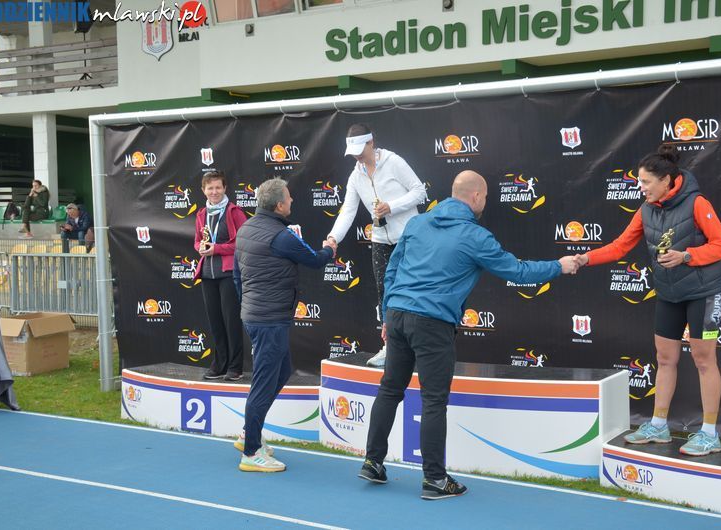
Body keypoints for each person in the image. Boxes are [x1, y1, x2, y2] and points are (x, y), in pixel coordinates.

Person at [359, 170, 578, 500]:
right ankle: (435, 479)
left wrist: (389, 312)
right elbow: (518, 272)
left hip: (398, 315)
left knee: (390, 389)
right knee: (433, 400)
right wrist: (559, 266)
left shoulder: (417, 223)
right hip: (432, 323)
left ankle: (372, 462)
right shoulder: (475, 236)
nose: (485, 202)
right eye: (485, 197)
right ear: (475, 197)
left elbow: (392, 269)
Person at [575, 144, 721, 456]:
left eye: (646, 181)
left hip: (704, 292)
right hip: (669, 293)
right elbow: (620, 246)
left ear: (665, 180)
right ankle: (659, 426)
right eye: (640, 181)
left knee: (703, 360)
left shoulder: (697, 203)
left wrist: (687, 255)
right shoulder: (645, 209)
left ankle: (709, 433)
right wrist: (585, 258)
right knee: (664, 358)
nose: (641, 187)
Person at [235, 177, 336, 472]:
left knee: (281, 371)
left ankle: (249, 434)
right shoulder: (282, 236)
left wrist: (249, 306)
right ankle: (250, 452)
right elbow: (315, 260)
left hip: (256, 316)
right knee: (264, 383)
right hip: (269, 320)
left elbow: (237, 277)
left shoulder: (245, 229)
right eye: (289, 198)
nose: (292, 200)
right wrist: (330, 249)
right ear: (279, 205)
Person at [326, 123, 427, 368]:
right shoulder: (355, 175)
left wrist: (392, 206)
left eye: (360, 150)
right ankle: (390, 347)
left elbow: (419, 192)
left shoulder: (394, 162)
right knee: (384, 292)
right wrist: (333, 237)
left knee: (414, 291)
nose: (357, 156)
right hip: (380, 239)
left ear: (371, 143)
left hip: (409, 238)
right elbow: (348, 210)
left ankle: (420, 347)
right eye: (353, 152)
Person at [194, 171, 247, 381]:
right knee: (215, 322)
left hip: (228, 273)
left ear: (225, 188)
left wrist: (216, 248)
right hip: (207, 274)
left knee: (231, 321)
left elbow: (243, 242)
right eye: (210, 188)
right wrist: (201, 248)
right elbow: (197, 240)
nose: (214, 192)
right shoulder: (201, 214)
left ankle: (235, 366)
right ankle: (220, 364)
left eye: (218, 187)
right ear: (203, 190)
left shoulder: (234, 212)